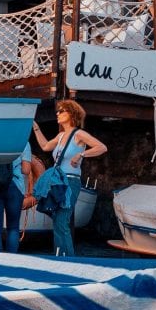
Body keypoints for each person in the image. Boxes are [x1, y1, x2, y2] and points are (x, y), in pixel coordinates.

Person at [26, 99, 106, 259]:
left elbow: (101, 147)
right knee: (57, 220)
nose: (58, 113)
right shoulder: (61, 136)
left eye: (62, 111)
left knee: (62, 220)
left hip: (70, 181)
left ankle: (68, 259)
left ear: (71, 114)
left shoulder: (79, 134)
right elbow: (45, 146)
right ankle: (60, 256)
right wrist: (35, 127)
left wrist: (81, 154)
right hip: (58, 182)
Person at [0, 150, 31, 253]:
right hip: (14, 185)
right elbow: (26, 170)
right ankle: (11, 260)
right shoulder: (23, 142)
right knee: (13, 227)